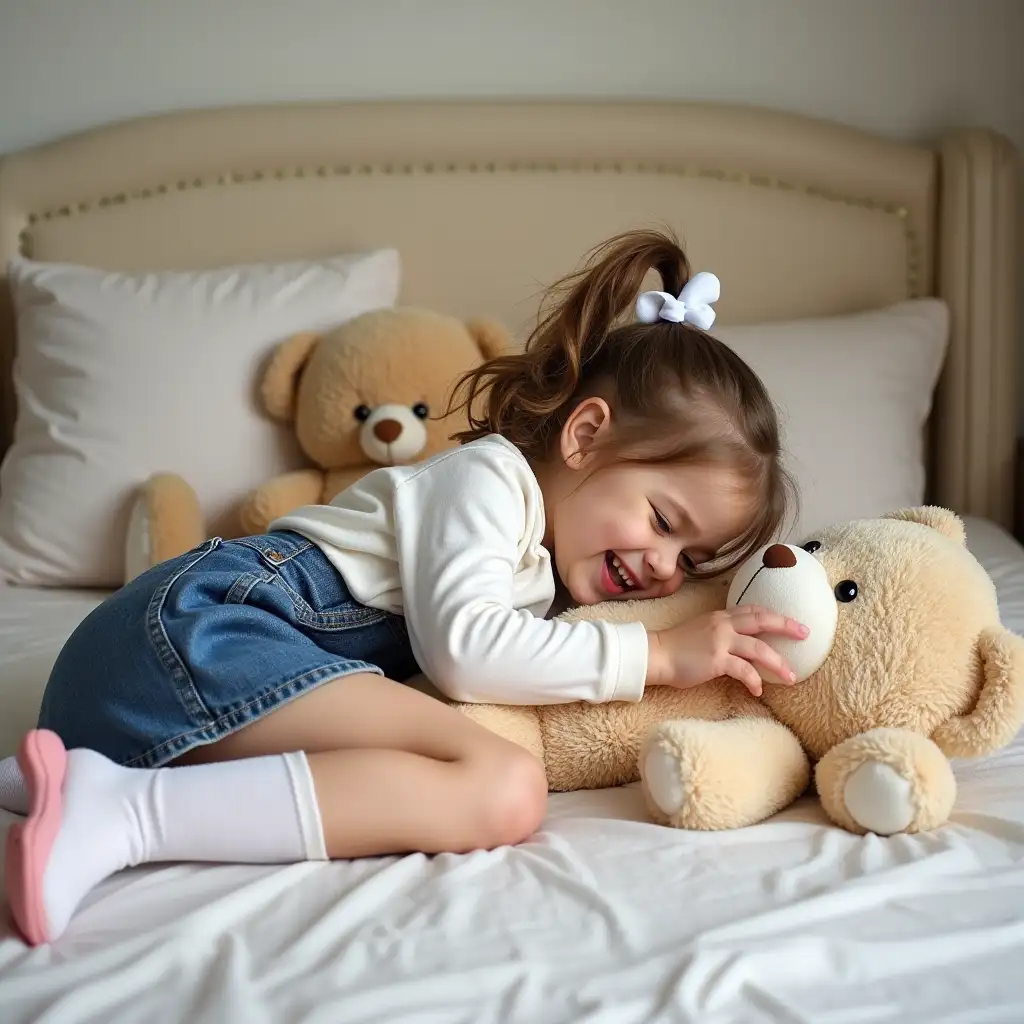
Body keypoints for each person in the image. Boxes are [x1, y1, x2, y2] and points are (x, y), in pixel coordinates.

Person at [3, 228, 806, 946]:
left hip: (143, 700)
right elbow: (465, 652)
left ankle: (74, 782)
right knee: (504, 785)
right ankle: (122, 815)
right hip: (194, 632)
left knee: (483, 777)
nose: (666, 567)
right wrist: (658, 656)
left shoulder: (541, 563)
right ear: (586, 434)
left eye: (691, 558)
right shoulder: (490, 483)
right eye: (664, 520)